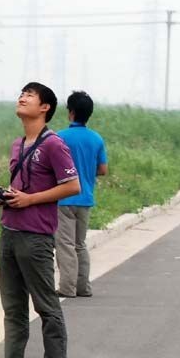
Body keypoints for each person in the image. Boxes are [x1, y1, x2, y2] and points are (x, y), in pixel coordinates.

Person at [0, 82, 80, 358]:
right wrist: (7, 197)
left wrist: (30, 200)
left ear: (45, 108)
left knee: (47, 307)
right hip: (9, 232)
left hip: (36, 237)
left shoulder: (54, 144)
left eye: (30, 95)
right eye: (22, 93)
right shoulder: (19, 144)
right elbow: (23, 186)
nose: (22, 97)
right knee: (13, 310)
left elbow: (72, 186)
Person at [55, 91, 108, 298]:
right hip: (85, 198)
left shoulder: (59, 138)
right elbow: (103, 170)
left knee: (65, 244)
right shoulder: (96, 139)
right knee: (80, 244)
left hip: (64, 198)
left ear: (71, 112)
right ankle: (83, 286)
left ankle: (67, 288)